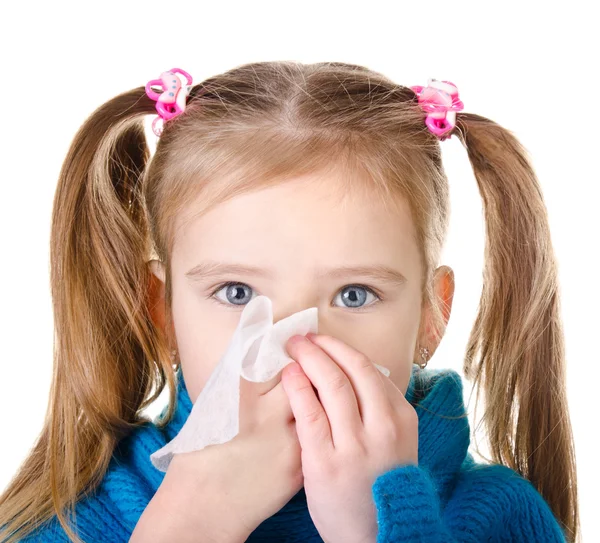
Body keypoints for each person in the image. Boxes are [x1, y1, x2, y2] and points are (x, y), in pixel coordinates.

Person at [0, 62, 579, 543]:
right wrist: (190, 522)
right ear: (163, 313)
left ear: (431, 315)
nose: (293, 346)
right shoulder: (74, 523)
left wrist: (378, 527)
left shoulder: (503, 519)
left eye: (355, 294)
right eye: (237, 293)